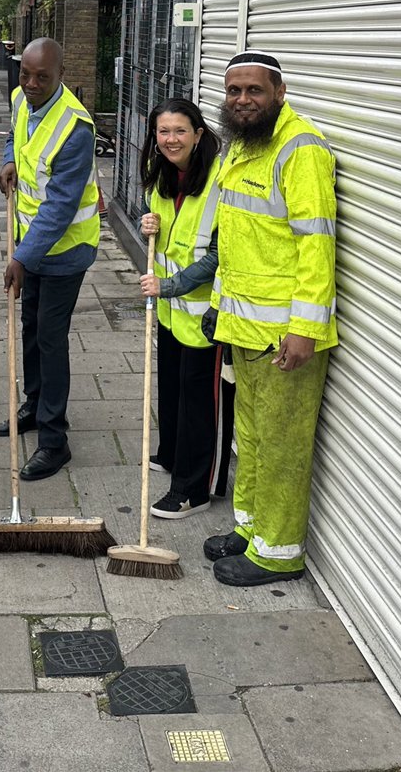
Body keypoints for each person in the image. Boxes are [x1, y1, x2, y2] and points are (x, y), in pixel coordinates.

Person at [204, 50, 338, 588]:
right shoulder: (241, 147)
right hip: (244, 327)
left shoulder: (298, 148)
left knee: (283, 446)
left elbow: (316, 245)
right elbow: (238, 241)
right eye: (234, 90)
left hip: (286, 335)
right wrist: (219, 304)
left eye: (254, 91)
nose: (242, 100)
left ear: (279, 93)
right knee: (251, 435)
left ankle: (278, 552)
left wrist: (304, 329)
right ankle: (250, 528)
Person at [0, 38, 99, 480]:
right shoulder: (21, 98)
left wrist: (20, 257)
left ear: (60, 76)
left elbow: (60, 209)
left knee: (51, 340)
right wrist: (9, 158)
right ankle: (34, 407)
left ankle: (55, 441)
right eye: (26, 75)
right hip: (31, 242)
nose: (32, 85)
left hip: (65, 250)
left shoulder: (76, 129)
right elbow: (18, 137)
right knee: (30, 328)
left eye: (43, 78)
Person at [136, 98, 231, 519]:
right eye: (163, 132)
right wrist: (145, 225)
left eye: (179, 131)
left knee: (201, 402)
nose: (171, 139)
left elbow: (217, 254)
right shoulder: (160, 177)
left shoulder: (219, 179)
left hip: (207, 312)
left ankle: (196, 488)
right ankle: (173, 455)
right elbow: (167, 240)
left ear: (198, 133)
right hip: (174, 312)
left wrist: (168, 285)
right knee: (173, 390)